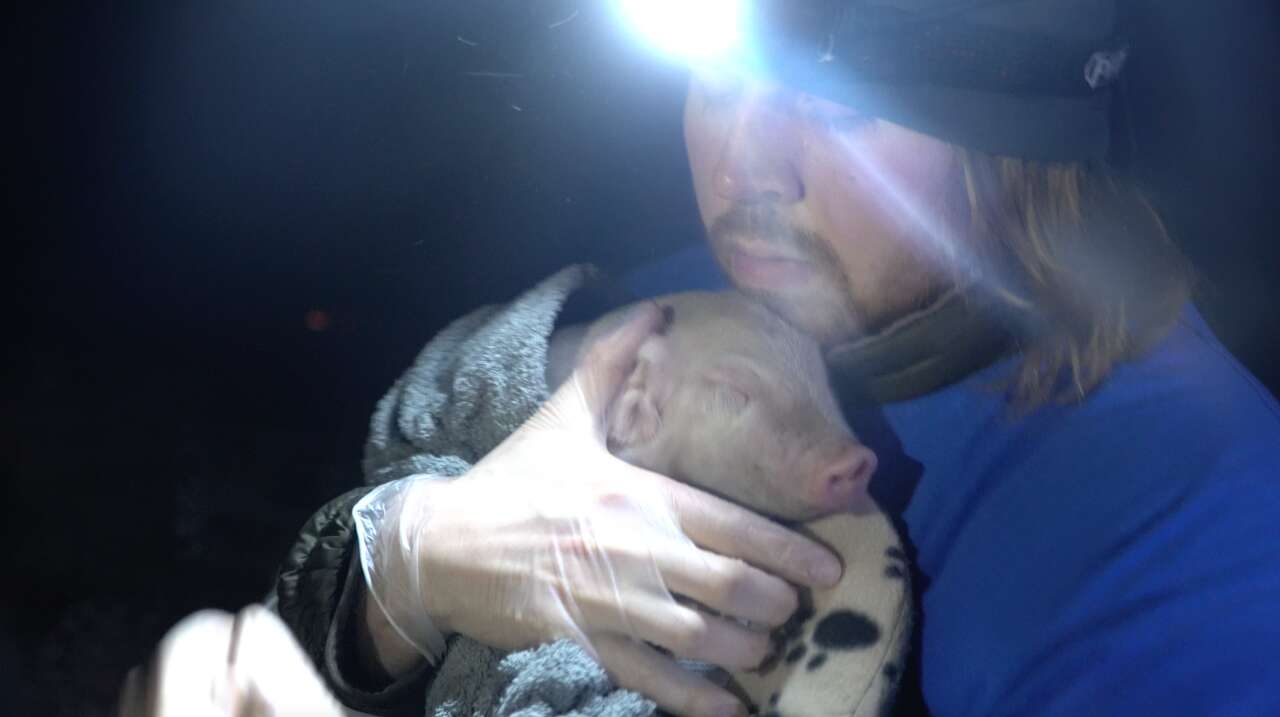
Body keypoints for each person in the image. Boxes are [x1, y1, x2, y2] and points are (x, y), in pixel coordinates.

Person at [270, 2, 1280, 716]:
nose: (747, 166)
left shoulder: (1197, 529)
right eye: (717, 80)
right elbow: (290, 654)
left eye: (835, 108)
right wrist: (403, 566)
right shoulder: (668, 318)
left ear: (1005, 151)